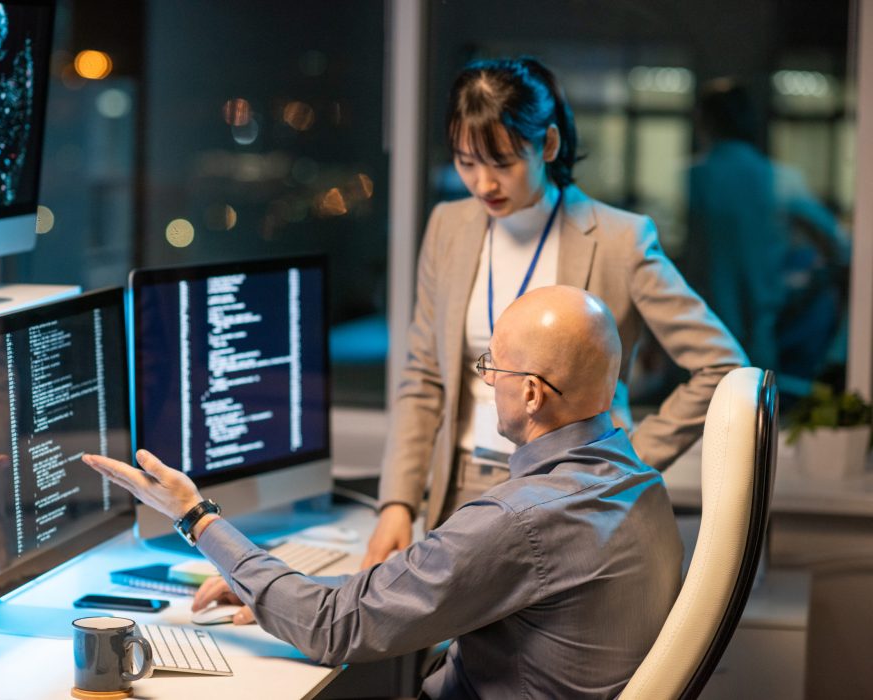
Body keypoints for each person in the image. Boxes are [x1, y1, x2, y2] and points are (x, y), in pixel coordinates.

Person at [85, 285, 682, 699]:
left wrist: (195, 515)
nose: (486, 382)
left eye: (492, 368)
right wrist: (275, 587)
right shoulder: (637, 482)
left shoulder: (519, 520)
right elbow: (384, 600)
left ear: (530, 394)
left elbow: (332, 630)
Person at [364, 57, 746, 567]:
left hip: (572, 494)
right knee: (446, 647)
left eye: (502, 162)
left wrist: (626, 462)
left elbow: (722, 366)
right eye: (466, 161)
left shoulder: (619, 239)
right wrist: (397, 501)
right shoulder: (448, 227)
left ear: (547, 144)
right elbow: (424, 376)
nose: (483, 184)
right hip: (460, 487)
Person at [685, 78, 850, 380]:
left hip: (693, 334)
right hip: (759, 333)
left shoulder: (691, 179)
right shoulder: (778, 178)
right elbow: (840, 246)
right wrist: (808, 284)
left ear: (704, 122)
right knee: (757, 415)